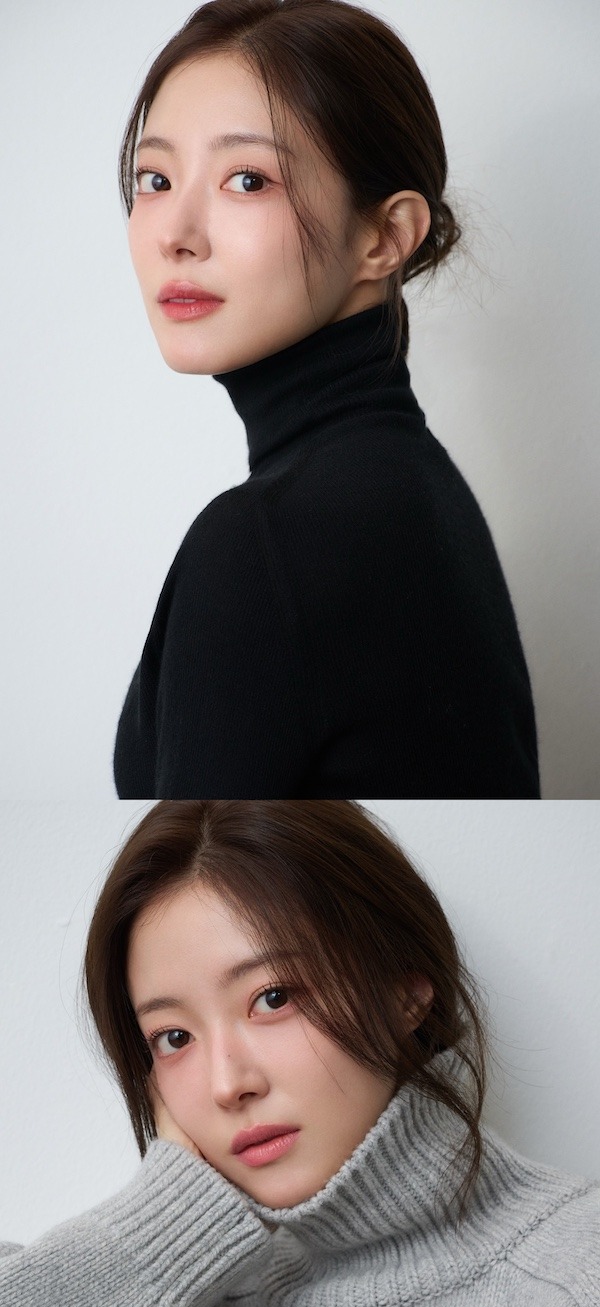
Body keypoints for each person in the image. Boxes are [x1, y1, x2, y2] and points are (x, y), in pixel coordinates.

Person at [1, 803, 599, 1307]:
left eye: (273, 996)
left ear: (407, 990)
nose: (228, 1082)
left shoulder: (575, 1293)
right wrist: (159, 1238)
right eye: (173, 1038)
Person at [112, 0, 539, 797]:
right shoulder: (417, 487)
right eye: (156, 178)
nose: (176, 233)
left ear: (385, 236)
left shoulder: (265, 543)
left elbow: (207, 867)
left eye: (247, 180)